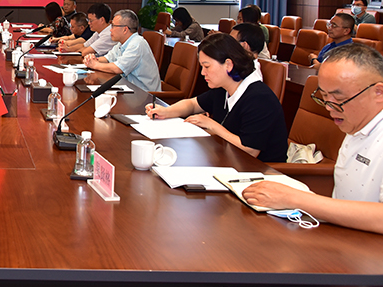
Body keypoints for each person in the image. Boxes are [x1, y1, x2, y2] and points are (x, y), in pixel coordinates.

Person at [243, 44, 383, 232]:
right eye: (324, 96)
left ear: (378, 92)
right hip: (344, 234)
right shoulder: (356, 124)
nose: (329, 107)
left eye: (339, 99)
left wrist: (296, 199)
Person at [146, 34, 287, 162]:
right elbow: (193, 104)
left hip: (261, 171)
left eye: (206, 66)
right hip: (227, 159)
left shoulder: (259, 99)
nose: (202, 73)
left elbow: (249, 150)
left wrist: (211, 124)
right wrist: (166, 111)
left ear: (228, 65)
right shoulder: (223, 88)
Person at [85, 9, 161, 92]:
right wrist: (92, 59)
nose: (110, 30)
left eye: (113, 26)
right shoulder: (121, 43)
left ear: (125, 29)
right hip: (129, 89)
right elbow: (108, 58)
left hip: (144, 94)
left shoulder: (136, 43)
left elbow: (118, 68)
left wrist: (95, 65)